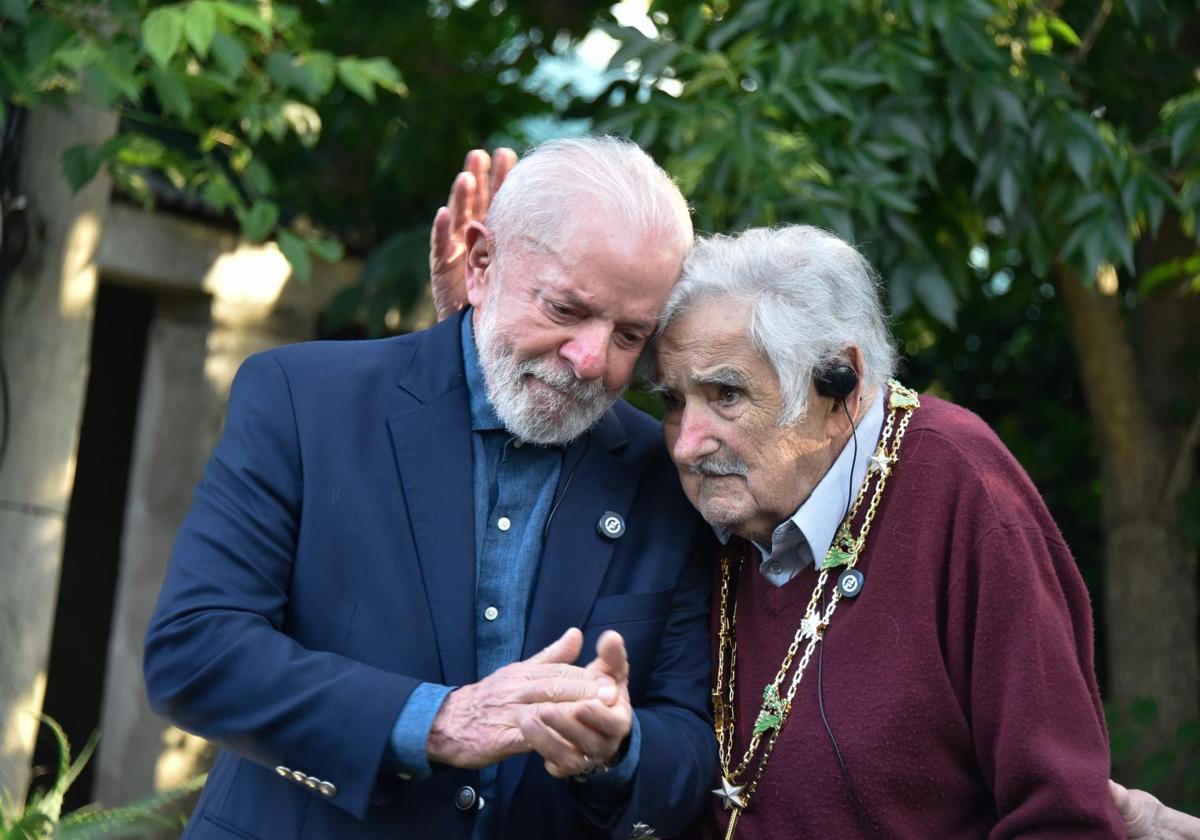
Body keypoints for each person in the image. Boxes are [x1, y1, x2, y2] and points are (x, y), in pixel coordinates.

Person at [142, 136, 718, 839]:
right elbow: (195, 652)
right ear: (480, 264)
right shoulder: (303, 399)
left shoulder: (664, 479)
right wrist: (434, 722)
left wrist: (619, 753)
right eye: (565, 311)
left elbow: (689, 746)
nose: (592, 360)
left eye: (631, 335)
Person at [649, 225, 1124, 837]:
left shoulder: (959, 483)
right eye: (672, 403)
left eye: (727, 395)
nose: (688, 444)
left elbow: (1062, 817)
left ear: (837, 381)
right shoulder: (715, 514)